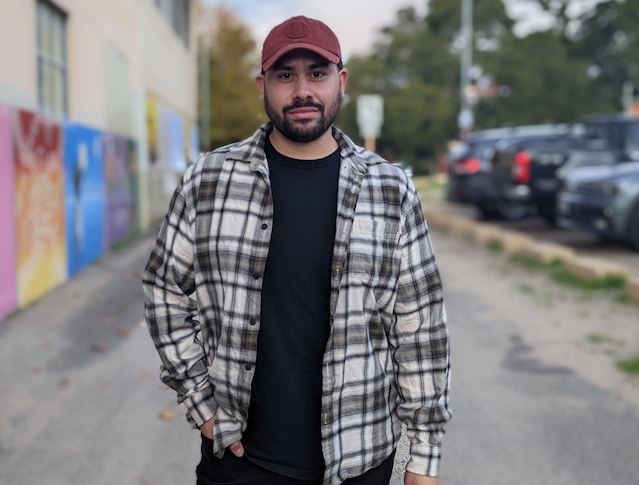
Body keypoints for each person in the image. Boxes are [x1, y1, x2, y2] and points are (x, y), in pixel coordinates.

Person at [143, 15, 451, 485]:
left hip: (360, 459)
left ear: (340, 81)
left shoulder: (391, 190)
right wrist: (200, 402)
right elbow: (164, 290)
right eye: (286, 75)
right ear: (262, 85)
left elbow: (420, 324)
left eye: (317, 73)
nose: (302, 90)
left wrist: (424, 457)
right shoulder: (209, 180)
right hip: (241, 460)